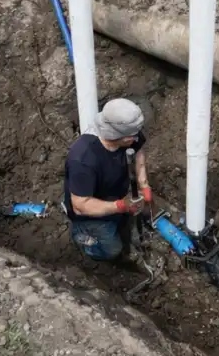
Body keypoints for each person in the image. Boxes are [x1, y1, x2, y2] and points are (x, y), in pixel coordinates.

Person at [63, 98, 153, 262]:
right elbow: (81, 206)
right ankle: (81, 236)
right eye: (132, 137)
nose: (136, 138)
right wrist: (121, 206)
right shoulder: (83, 159)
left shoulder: (128, 134)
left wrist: (143, 184)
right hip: (89, 215)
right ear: (121, 137)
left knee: (127, 220)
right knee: (112, 250)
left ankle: (120, 221)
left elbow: (138, 150)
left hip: (116, 195)